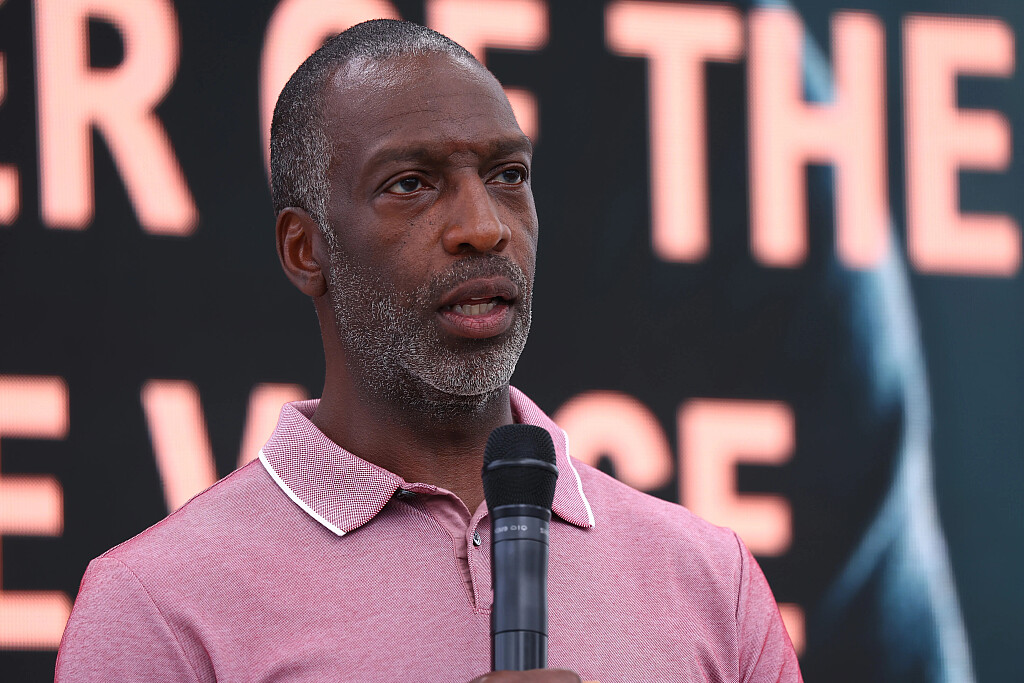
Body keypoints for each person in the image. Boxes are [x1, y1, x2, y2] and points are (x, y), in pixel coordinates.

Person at [55, 19, 801, 683]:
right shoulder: (158, 604)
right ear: (306, 249)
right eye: (411, 184)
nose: (483, 226)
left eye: (507, 176)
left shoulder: (711, 581)